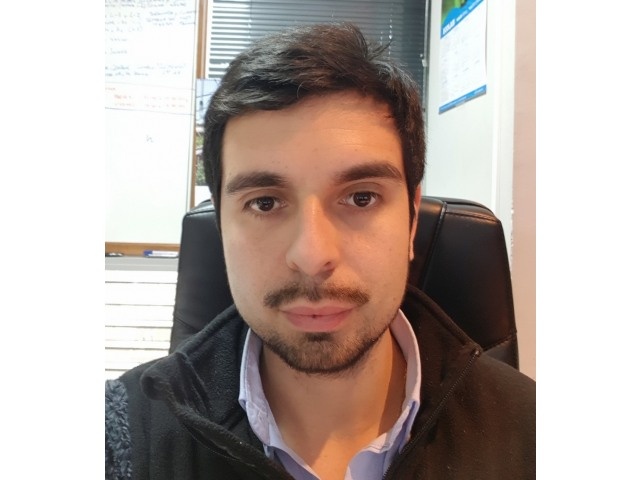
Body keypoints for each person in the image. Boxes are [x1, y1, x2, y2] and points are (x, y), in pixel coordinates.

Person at [105, 22, 535, 480]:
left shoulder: (532, 434)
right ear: (221, 226)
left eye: (361, 198)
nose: (312, 255)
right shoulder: (119, 438)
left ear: (412, 219)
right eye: (265, 203)